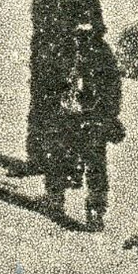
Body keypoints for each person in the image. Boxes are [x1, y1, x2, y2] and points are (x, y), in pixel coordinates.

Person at [26, 0, 109, 214]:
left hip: (78, 84)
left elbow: (98, 29)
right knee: (51, 128)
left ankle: (84, 202)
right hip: (50, 69)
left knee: (74, 139)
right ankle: (54, 189)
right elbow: (41, 26)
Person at [59, 23, 125, 230]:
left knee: (95, 164)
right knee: (80, 158)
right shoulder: (73, 51)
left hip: (93, 117)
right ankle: (67, 193)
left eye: (84, 34)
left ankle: (95, 211)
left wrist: (107, 115)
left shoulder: (101, 54)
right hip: (76, 115)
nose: (81, 37)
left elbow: (112, 90)